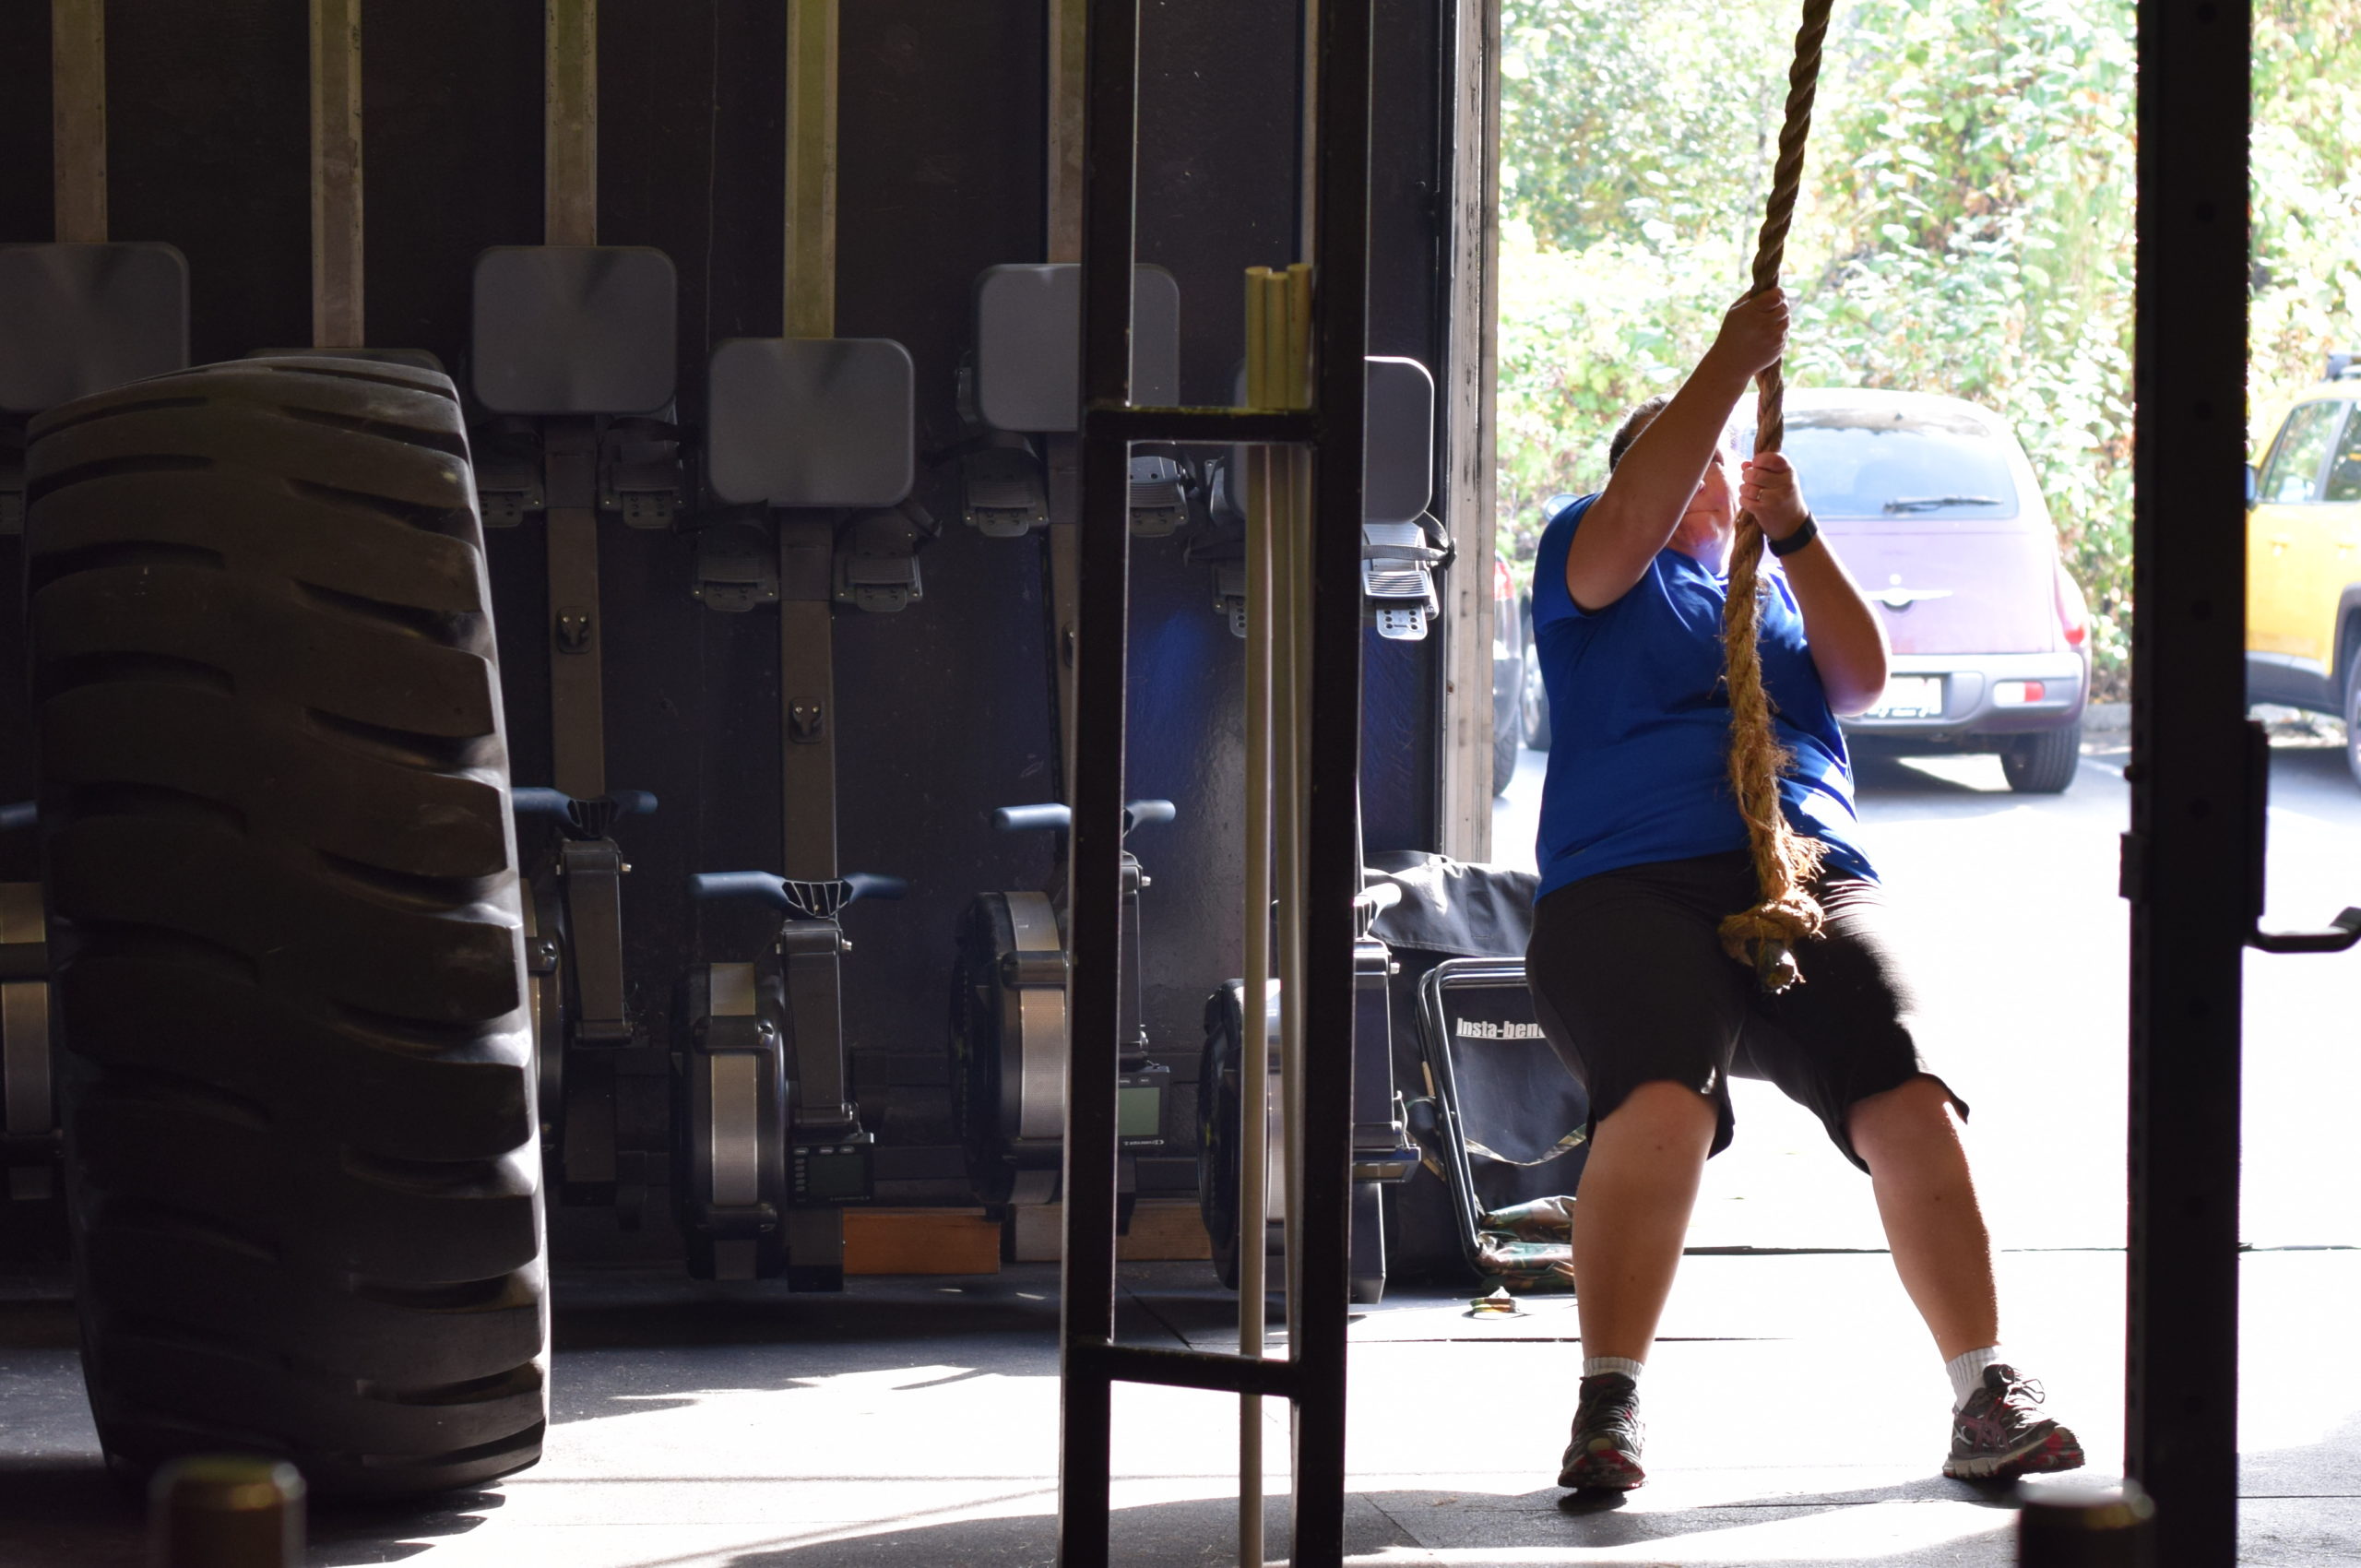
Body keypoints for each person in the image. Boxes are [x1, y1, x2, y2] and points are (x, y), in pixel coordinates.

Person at [1525, 289, 2084, 1491]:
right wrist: (1731, 360)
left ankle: (1984, 1388)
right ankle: (1608, 1402)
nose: (1713, 481)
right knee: (1664, 1098)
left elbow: (1864, 677)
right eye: (1694, 464)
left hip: (1805, 871)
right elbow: (1640, 505)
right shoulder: (1591, 557)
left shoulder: (1766, 592)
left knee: (1908, 1084)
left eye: (1723, 470)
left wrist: (1798, 534)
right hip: (1629, 882)